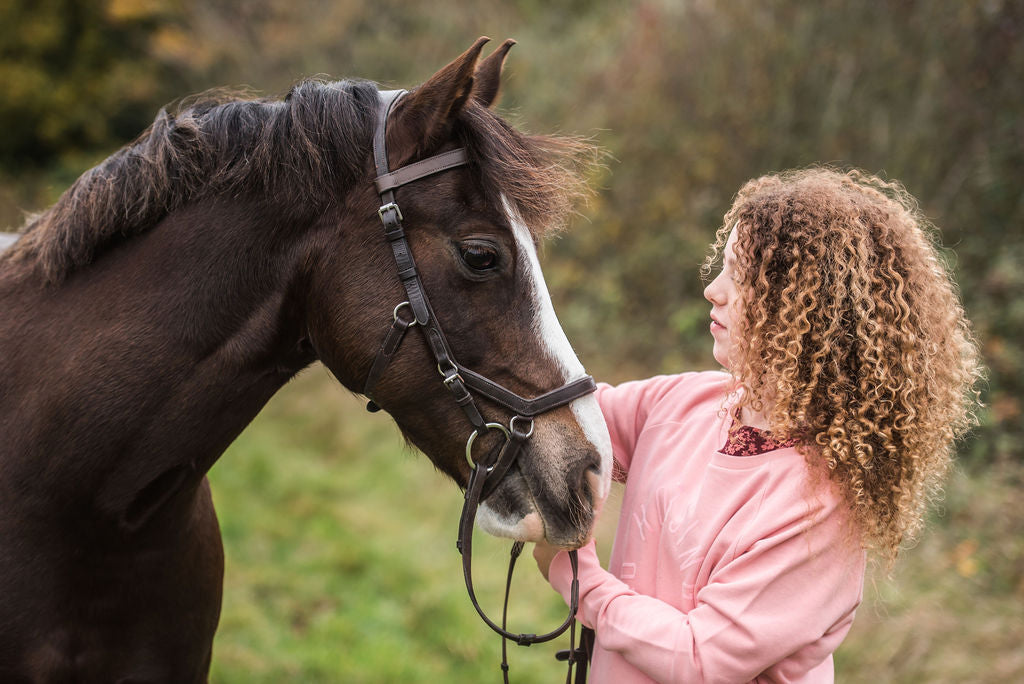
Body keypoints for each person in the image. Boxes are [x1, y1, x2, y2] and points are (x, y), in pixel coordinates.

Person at [533, 167, 982, 683]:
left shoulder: (819, 508)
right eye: (721, 268)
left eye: (740, 277)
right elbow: (566, 418)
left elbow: (701, 657)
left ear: (808, 314)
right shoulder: (688, 402)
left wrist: (577, 577)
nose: (712, 290)